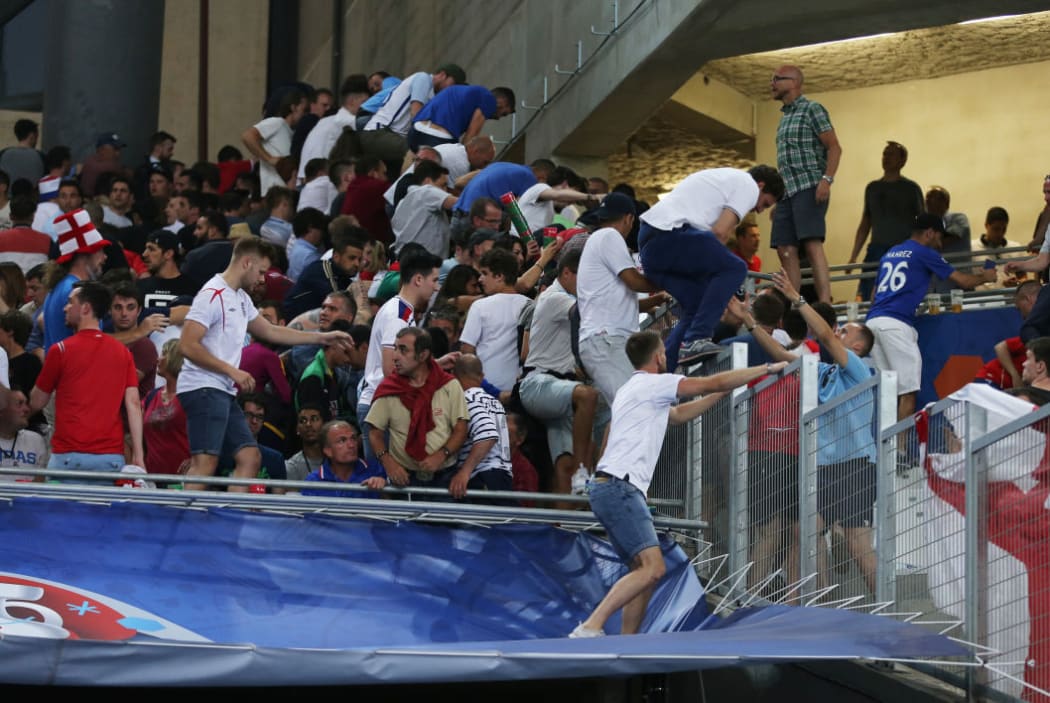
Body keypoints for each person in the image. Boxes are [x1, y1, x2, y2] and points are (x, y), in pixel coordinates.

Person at [568, 330, 784, 637]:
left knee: (643, 571)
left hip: (608, 487)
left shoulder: (631, 389)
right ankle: (592, 625)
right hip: (620, 487)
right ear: (658, 356)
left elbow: (679, 414)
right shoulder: (655, 383)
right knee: (652, 569)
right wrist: (766, 368)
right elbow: (711, 382)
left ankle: (628, 641)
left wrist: (721, 393)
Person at [730, 271, 879, 596]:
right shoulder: (823, 370)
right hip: (823, 469)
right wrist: (751, 323)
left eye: (846, 330)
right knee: (801, 532)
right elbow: (782, 356)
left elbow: (825, 334)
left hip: (853, 467)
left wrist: (797, 298)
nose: (839, 332)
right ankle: (798, 609)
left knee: (857, 542)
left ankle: (888, 607)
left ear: (856, 346)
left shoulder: (857, 367)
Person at [176, 237, 351, 492]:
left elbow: (271, 331)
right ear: (246, 263)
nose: (262, 279)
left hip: (221, 390)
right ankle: (185, 525)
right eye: (260, 272)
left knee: (250, 457)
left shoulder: (240, 298)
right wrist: (231, 370)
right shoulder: (212, 294)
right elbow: (187, 345)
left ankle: (231, 519)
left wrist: (323, 337)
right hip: (203, 388)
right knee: (205, 463)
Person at [637, 165, 784, 367]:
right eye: (765, 203)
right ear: (761, 185)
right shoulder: (748, 185)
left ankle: (663, 371)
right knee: (736, 268)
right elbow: (720, 233)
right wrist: (722, 279)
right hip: (667, 235)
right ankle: (696, 339)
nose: (759, 210)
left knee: (697, 304)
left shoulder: (724, 180)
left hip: (651, 249)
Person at [866, 214, 996, 420]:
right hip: (896, 324)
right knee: (907, 392)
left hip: (872, 323)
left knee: (888, 392)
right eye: (939, 236)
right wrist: (985, 277)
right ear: (929, 233)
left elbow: (874, 295)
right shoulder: (925, 253)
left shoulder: (891, 252)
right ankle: (899, 450)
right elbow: (963, 281)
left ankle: (887, 450)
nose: (941, 242)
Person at [30, 281, 144, 479]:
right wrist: (139, 457)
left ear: (85, 308)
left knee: (63, 511)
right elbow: (133, 404)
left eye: (70, 302)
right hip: (110, 457)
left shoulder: (61, 350)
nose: (65, 307)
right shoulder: (123, 352)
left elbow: (37, 402)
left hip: (69, 455)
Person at [518, 250, 599, 494]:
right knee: (589, 396)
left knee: (564, 467)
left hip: (561, 389)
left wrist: (652, 300)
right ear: (566, 273)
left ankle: (563, 527)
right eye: (582, 278)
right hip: (538, 384)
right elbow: (588, 312)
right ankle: (585, 471)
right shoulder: (554, 297)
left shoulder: (565, 298)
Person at [576, 192, 665, 405]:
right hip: (607, 339)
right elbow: (634, 281)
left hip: (604, 339)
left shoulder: (599, 238)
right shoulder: (609, 236)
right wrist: (671, 282)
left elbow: (617, 299)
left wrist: (654, 300)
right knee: (633, 406)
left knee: (622, 413)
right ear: (629, 218)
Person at [770, 65, 841, 303]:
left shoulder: (812, 109)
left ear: (794, 82)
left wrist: (826, 180)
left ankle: (823, 302)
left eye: (777, 79)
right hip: (787, 193)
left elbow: (834, 147)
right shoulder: (784, 119)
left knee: (811, 244)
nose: (773, 83)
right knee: (785, 249)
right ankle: (794, 305)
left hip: (809, 184)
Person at [365, 327, 467, 489]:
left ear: (423, 355)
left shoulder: (448, 385)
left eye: (403, 350)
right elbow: (374, 432)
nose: (395, 356)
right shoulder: (389, 388)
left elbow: (461, 428)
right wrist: (389, 463)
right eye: (395, 348)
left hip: (445, 476)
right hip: (403, 478)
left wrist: (442, 455)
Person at [847, 141, 924, 301]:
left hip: (902, 250)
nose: (886, 158)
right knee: (870, 294)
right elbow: (865, 223)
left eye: (891, 154)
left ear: (902, 161)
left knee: (901, 294)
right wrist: (853, 256)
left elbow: (921, 220)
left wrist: (920, 250)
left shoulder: (911, 189)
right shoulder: (872, 188)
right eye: (884, 154)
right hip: (876, 250)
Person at [459, 247, 529, 392]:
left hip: (483, 386)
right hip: (520, 388)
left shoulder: (479, 306)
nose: (480, 279)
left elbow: (467, 350)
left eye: (484, 273)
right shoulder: (530, 305)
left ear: (499, 276)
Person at [41, 209, 110, 353]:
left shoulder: (58, 287)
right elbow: (90, 342)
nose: (105, 257)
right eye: (100, 250)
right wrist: (139, 332)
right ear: (85, 254)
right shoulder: (75, 291)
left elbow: (40, 320)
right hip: (75, 372)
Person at [449, 353, 513, 499]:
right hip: (503, 475)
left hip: (481, 477)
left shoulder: (467, 399)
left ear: (454, 376)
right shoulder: (495, 402)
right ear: (481, 375)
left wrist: (465, 472)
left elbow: (487, 433)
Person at [141, 339, 190, 477]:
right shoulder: (151, 396)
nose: (158, 359)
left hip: (183, 479)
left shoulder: (190, 397)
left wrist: (197, 461)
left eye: (163, 353)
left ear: (175, 359)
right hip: (152, 477)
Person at [301, 420, 386, 498]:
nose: (351, 445)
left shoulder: (375, 470)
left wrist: (383, 486)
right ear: (328, 451)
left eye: (353, 438)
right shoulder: (314, 481)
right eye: (342, 441)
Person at [0, 388, 48, 482]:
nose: (27, 409)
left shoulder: (35, 440)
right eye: (19, 404)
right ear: (2, 410)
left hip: (27, 496)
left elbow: (41, 480)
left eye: (26, 403)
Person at [284, 403, 326, 482]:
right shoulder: (291, 466)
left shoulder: (336, 461)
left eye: (314, 419)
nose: (308, 424)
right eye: (303, 421)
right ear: (297, 429)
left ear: (324, 425)